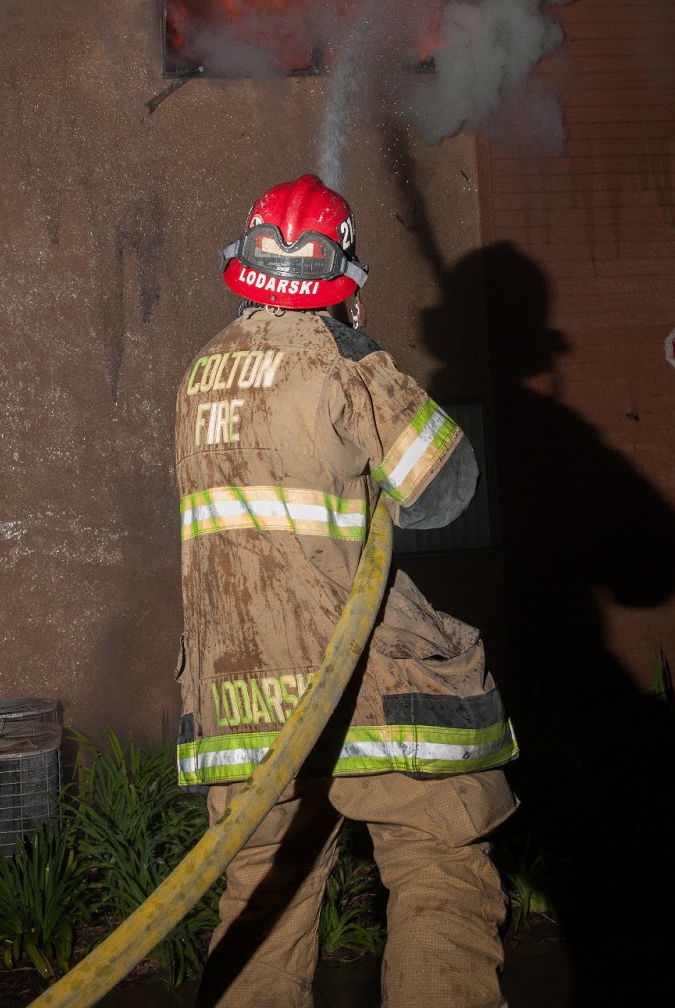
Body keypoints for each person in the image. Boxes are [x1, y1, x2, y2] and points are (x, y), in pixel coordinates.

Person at [174, 173, 518, 1008]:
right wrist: (365, 357)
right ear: (345, 270)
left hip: (243, 708)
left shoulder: (198, 374)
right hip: (367, 685)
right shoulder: (344, 365)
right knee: (442, 872)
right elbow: (445, 489)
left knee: (263, 907)